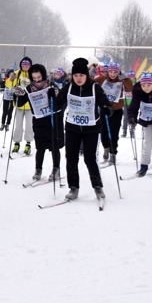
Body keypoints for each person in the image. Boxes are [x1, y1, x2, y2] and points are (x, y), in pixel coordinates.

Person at [54, 57, 112, 202]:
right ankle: (73, 187)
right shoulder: (68, 87)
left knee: (90, 158)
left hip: (91, 129)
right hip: (72, 127)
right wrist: (52, 98)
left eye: (81, 75)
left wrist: (106, 109)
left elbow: (106, 104)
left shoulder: (95, 88)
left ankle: (97, 186)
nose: (78, 79)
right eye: (75, 76)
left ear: (87, 75)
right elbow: (57, 105)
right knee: (71, 158)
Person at [26, 63, 63, 182]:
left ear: (43, 75)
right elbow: (21, 102)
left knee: (54, 146)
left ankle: (56, 169)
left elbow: (60, 103)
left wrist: (54, 96)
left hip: (52, 119)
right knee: (40, 147)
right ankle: (38, 169)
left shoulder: (52, 86)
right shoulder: (29, 88)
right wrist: (18, 95)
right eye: (34, 78)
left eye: (39, 77)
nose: (37, 80)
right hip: (39, 120)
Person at [94, 62, 133, 165]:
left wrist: (126, 79)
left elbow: (129, 89)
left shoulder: (121, 80)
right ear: (108, 71)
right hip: (104, 109)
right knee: (103, 133)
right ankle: (106, 148)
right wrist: (92, 74)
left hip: (117, 109)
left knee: (114, 132)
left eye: (115, 72)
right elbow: (90, 83)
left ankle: (113, 153)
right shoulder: (103, 78)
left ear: (118, 72)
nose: (112, 74)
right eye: (111, 72)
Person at [9, 57, 34, 155]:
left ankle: (28, 143)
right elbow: (9, 84)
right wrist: (11, 79)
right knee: (18, 125)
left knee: (29, 125)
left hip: (29, 105)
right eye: (23, 65)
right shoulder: (17, 73)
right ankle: (16, 143)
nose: (25, 67)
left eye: (27, 65)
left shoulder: (32, 73)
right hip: (19, 104)